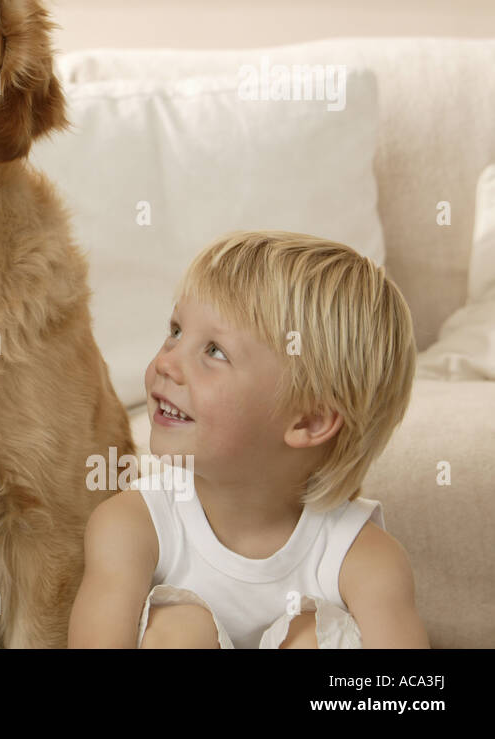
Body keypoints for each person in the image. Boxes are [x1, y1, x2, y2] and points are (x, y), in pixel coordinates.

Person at [68, 230, 429, 648]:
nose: (166, 362)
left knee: (311, 636)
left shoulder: (363, 557)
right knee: (180, 630)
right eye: (176, 331)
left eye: (215, 351)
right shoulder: (131, 525)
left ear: (309, 421)